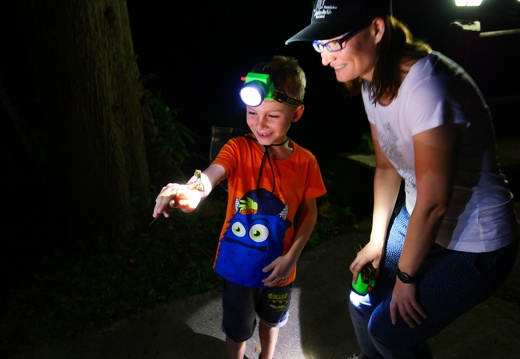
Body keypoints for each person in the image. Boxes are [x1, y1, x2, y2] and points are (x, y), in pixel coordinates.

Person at [286, 1, 519, 358]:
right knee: (362, 298)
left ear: (377, 30)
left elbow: (434, 199)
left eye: (334, 43)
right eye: (320, 45)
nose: (324, 58)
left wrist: (406, 278)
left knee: (389, 331)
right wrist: (377, 241)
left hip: (476, 241)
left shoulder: (427, 87)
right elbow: (386, 167)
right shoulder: (370, 84)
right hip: (418, 216)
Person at [152, 55, 327, 359]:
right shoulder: (237, 148)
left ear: (296, 114)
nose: (259, 124)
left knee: (272, 322)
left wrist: (291, 257)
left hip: (281, 271)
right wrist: (190, 189)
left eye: (273, 116)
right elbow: (210, 176)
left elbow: (309, 213)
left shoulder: (306, 162)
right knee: (236, 327)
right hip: (236, 267)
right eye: (251, 112)